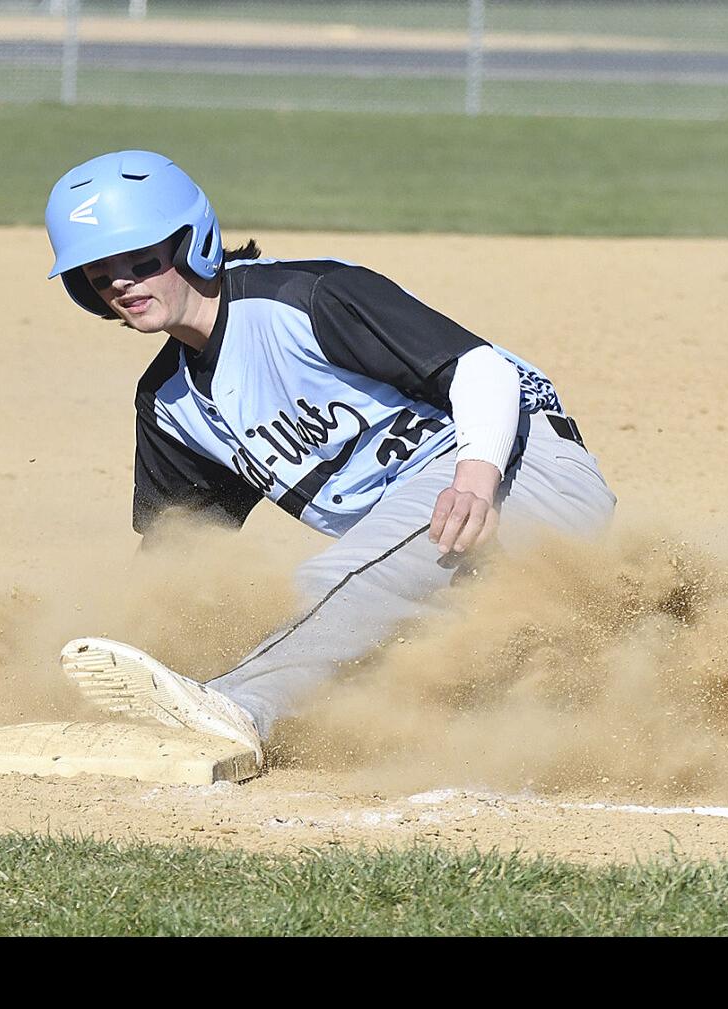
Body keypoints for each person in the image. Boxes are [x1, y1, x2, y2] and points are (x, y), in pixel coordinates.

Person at [43, 150, 615, 769]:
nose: (122, 283)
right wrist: (132, 654)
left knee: (327, 585)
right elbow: (175, 556)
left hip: (515, 474)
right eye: (99, 274)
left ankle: (232, 712)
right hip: (437, 550)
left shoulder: (304, 298)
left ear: (193, 242)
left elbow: (482, 370)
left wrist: (476, 476)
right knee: (381, 661)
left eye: (141, 261)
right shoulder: (170, 402)